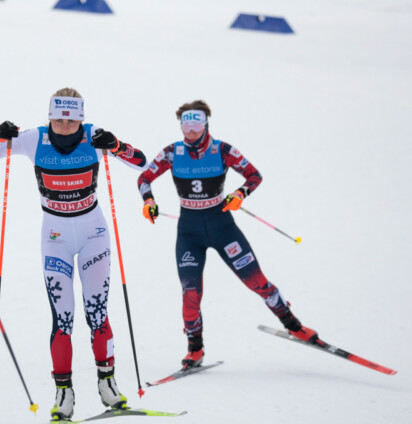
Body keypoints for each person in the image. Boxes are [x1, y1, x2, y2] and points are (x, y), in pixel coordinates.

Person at [0, 88, 148, 420]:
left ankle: (108, 384)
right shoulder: (33, 139)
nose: (65, 125)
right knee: (63, 318)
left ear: (81, 118)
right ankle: (64, 393)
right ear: (50, 116)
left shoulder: (94, 137)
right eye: (58, 118)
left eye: (71, 119)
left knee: (97, 312)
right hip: (54, 238)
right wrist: (0, 136)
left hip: (93, 235)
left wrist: (115, 146)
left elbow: (141, 161)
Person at [137, 100, 319, 369]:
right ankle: (194, 350)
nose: (191, 130)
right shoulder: (171, 153)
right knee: (190, 293)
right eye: (185, 124)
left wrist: (239, 193)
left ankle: (293, 325)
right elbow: (144, 178)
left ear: (206, 123)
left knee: (257, 282)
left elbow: (254, 175)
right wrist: (148, 201)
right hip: (189, 232)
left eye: (196, 123)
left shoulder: (222, 150)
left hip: (222, 227)